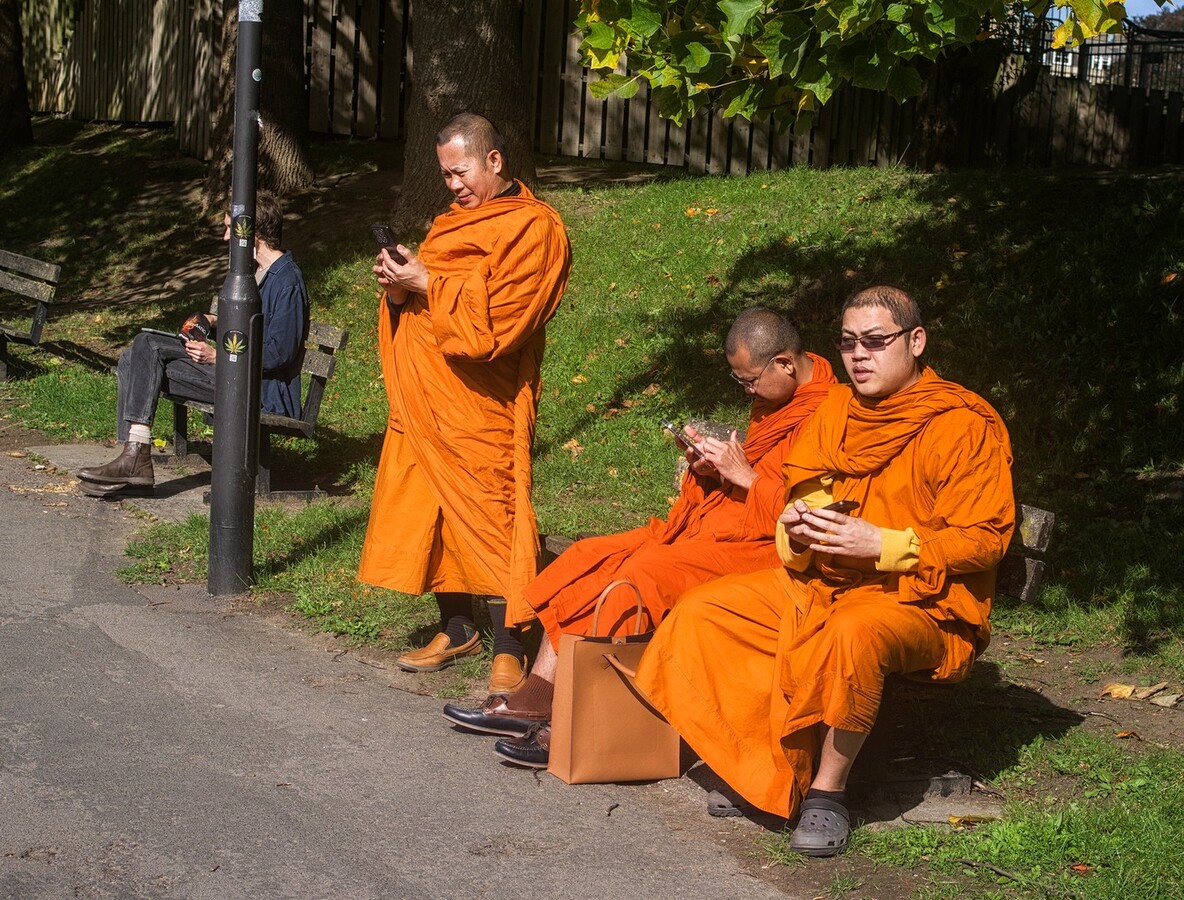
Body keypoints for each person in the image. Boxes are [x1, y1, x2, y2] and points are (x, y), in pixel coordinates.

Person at [633, 286, 1015, 857]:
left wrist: (882, 543)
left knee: (850, 634)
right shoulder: (836, 409)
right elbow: (803, 481)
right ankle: (760, 769)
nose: (859, 355)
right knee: (705, 611)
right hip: (824, 581)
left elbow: (984, 540)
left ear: (915, 342)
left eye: (876, 342)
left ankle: (826, 793)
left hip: (917, 602)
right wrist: (801, 521)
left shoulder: (962, 423)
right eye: (848, 343)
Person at [441, 307, 838, 768]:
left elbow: (811, 512)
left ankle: (571, 722)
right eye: (740, 382)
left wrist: (746, 478)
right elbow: (749, 477)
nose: (747, 392)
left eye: (749, 381)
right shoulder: (778, 398)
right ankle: (536, 696)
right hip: (714, 527)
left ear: (785, 364)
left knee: (642, 572)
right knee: (594, 555)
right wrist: (708, 471)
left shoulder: (832, 414)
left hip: (768, 549)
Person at [357, 113, 572, 695]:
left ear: (494, 161)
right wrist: (400, 289)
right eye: (445, 175)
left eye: (461, 172)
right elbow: (425, 302)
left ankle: (509, 642)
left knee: (495, 515)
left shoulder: (535, 228)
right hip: (426, 397)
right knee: (434, 510)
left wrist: (429, 284)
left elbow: (500, 321)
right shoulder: (449, 226)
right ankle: (456, 627)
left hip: (485, 401)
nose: (452, 185)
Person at [78, 193, 309, 497]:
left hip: (261, 390)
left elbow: (279, 352)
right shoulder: (254, 273)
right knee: (135, 355)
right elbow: (247, 334)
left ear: (252, 234)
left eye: (230, 229)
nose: (226, 237)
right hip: (237, 374)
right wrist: (213, 321)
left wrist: (218, 355)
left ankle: (134, 459)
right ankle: (133, 455)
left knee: (144, 349)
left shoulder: (287, 280)